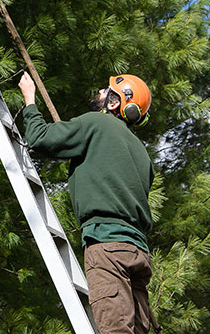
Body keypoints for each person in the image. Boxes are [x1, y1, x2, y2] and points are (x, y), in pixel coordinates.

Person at [18, 72, 159, 334]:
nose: (100, 93)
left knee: (115, 330)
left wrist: (29, 99)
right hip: (138, 252)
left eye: (106, 91)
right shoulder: (142, 154)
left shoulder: (97, 123)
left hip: (108, 246)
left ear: (115, 103)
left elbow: (39, 138)